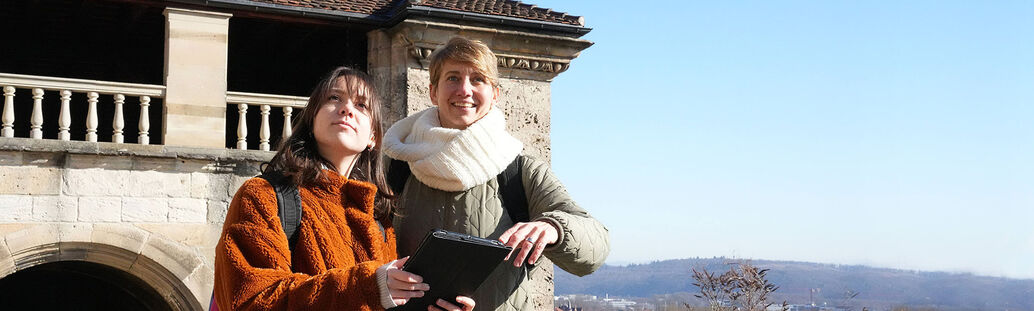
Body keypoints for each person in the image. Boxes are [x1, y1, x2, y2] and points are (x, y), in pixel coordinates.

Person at [213, 67, 475, 311]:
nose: (347, 108)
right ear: (312, 119)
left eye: (361, 105)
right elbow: (249, 299)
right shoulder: (263, 196)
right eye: (334, 98)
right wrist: (368, 286)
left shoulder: (379, 221)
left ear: (373, 136)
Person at [382, 37, 611, 310]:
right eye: (452, 78)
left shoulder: (519, 169)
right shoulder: (395, 166)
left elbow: (596, 247)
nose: (464, 90)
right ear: (433, 92)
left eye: (478, 79)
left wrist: (554, 228)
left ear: (495, 94)